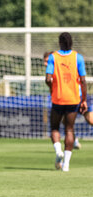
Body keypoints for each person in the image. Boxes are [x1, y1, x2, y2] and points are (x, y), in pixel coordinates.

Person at [45, 32, 87, 172]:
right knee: (69, 129)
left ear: (59, 42)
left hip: (58, 98)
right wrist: (84, 100)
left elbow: (48, 79)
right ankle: (67, 165)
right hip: (73, 98)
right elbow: (83, 81)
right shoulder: (78, 57)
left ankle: (58, 151)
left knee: (55, 127)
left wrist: (52, 88)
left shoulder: (53, 57)